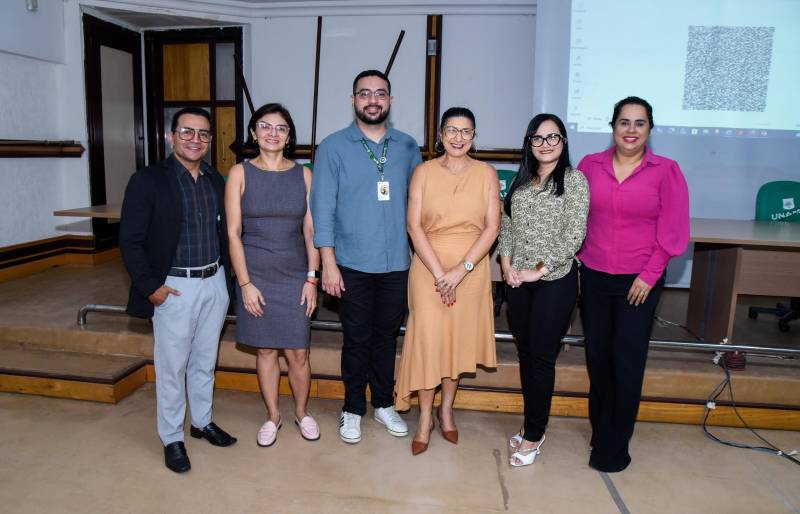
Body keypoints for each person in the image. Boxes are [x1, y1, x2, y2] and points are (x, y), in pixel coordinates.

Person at [119, 107, 237, 474]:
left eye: (203, 134)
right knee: (173, 366)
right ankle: (172, 437)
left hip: (214, 282)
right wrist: (151, 286)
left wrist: (228, 282)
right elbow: (130, 240)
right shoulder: (148, 180)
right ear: (171, 136)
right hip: (173, 287)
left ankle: (201, 422)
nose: (195, 139)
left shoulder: (218, 180)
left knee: (205, 361)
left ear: (210, 140)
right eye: (187, 132)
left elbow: (228, 234)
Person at [578, 96, 689, 472]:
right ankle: (602, 428)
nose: (631, 130)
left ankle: (614, 445)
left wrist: (649, 274)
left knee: (626, 361)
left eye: (639, 123)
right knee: (598, 357)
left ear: (650, 129)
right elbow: (575, 219)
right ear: (613, 126)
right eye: (624, 122)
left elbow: (673, 231)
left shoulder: (667, 171)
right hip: (593, 276)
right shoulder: (589, 166)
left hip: (639, 282)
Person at [310, 69, 422, 444]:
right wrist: (327, 262)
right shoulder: (332, 147)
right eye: (364, 94)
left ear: (390, 100)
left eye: (380, 93)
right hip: (351, 263)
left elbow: (419, 207)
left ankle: (384, 404)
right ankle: (353, 407)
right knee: (356, 339)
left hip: (396, 265)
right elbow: (322, 207)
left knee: (387, 338)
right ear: (353, 100)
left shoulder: (407, 146)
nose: (372, 100)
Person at [394, 107, 499, 455]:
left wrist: (460, 270)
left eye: (466, 131)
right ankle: (424, 416)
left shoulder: (486, 173)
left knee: (456, 342)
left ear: (474, 136)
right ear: (440, 134)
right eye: (451, 130)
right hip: (428, 269)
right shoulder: (423, 172)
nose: (458, 137)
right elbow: (413, 226)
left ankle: (447, 410)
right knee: (429, 341)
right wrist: (441, 274)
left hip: (471, 269)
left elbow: (492, 228)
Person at [225, 103, 320, 447]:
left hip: (295, 274)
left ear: (289, 136)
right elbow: (234, 234)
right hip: (256, 275)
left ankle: (301, 412)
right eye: (265, 126)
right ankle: (272, 416)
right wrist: (245, 284)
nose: (272, 133)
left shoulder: (304, 176)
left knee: (298, 353)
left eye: (280, 128)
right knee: (265, 350)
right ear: (253, 133)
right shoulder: (240, 174)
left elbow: (311, 232)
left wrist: (312, 278)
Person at [499, 114, 589, 467]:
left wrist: (538, 270)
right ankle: (530, 419)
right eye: (538, 138)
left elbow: (574, 234)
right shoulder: (522, 183)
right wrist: (506, 265)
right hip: (518, 281)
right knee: (525, 354)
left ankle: (535, 432)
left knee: (541, 358)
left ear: (564, 141)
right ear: (529, 144)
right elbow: (507, 225)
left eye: (553, 137)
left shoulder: (574, 180)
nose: (546, 144)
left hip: (554, 281)